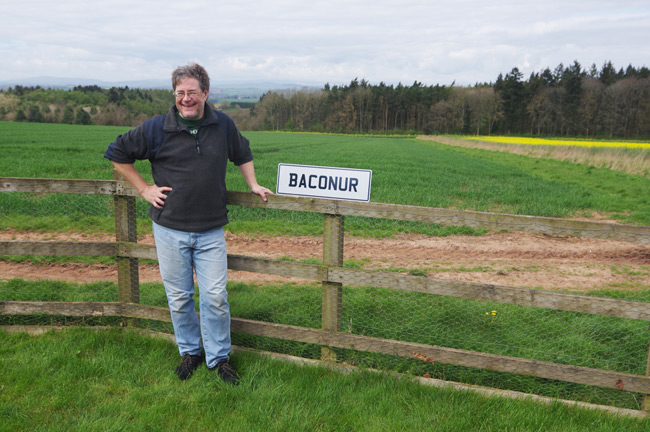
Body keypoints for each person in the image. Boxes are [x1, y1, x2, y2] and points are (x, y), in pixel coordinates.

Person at [104, 63, 272, 385]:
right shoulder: (156, 128)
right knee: (179, 297)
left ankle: (218, 358)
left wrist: (252, 183)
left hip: (210, 229)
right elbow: (117, 153)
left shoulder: (222, 124)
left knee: (215, 297)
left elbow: (242, 152)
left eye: (192, 92)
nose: (185, 99)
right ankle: (190, 352)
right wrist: (144, 189)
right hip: (169, 229)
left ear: (205, 94)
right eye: (180, 93)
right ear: (175, 95)